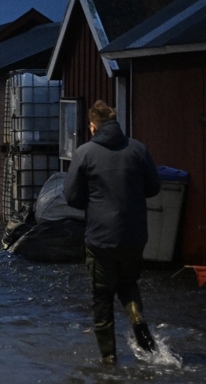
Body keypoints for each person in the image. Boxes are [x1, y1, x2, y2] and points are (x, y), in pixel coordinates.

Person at [64, 100, 161, 362]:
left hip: (100, 238)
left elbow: (71, 197)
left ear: (93, 126)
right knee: (128, 282)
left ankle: (108, 359)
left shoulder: (85, 153)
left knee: (102, 296)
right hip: (134, 236)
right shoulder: (138, 149)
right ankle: (137, 318)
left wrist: (94, 202)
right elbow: (154, 188)